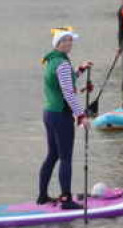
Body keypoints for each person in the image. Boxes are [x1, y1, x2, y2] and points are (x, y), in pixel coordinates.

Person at [38, 27, 93, 210]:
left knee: (52, 155)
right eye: (67, 40)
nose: (70, 43)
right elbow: (68, 93)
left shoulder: (51, 60)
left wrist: (79, 70)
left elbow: (64, 81)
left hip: (49, 113)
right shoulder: (62, 64)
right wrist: (82, 115)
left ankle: (42, 197)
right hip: (61, 116)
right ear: (58, 44)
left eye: (71, 40)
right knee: (65, 158)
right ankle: (66, 200)